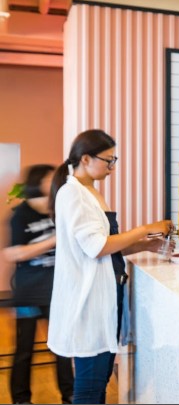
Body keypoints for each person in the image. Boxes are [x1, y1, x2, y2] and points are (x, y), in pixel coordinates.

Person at [47, 129, 172, 404]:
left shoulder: (89, 192)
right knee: (90, 390)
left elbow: (108, 248)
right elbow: (97, 247)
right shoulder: (72, 194)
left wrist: (146, 245)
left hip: (107, 297)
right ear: (86, 159)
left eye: (114, 160)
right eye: (108, 160)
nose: (112, 167)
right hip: (90, 301)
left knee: (100, 382)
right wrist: (144, 229)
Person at [4, 164, 73, 404]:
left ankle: (69, 396)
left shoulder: (58, 210)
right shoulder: (20, 215)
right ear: (38, 182)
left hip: (57, 291)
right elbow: (13, 253)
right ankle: (21, 399)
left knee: (62, 348)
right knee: (24, 350)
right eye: (50, 179)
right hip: (28, 294)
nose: (55, 183)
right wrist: (53, 240)